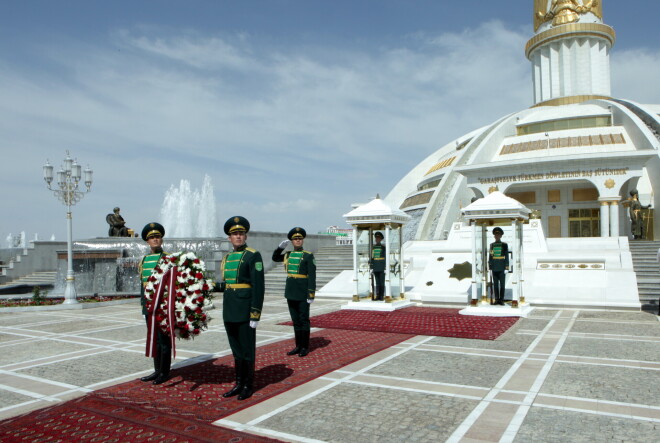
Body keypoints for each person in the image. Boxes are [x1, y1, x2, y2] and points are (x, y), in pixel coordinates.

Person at [218, 216, 265, 400]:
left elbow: (258, 286)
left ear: (245, 236)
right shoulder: (228, 257)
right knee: (236, 350)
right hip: (230, 309)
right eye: (234, 234)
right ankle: (238, 383)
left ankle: (248, 384)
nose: (238, 236)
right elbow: (228, 283)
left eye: (241, 233)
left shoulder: (253, 255)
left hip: (245, 309)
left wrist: (255, 313)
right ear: (229, 238)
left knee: (247, 350)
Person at [272, 227, 316, 357]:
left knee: (303, 319)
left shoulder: (308, 255)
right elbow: (275, 258)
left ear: (302, 240)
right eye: (295, 239)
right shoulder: (288, 255)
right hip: (291, 291)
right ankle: (298, 346)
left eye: (300, 239)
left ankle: (305, 347)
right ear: (291, 241)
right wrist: (280, 248)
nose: (298, 241)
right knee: (295, 320)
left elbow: (312, 275)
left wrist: (311, 293)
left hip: (303, 292)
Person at [138, 222, 171, 384]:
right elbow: (142, 284)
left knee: (164, 340)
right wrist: (143, 305)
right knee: (154, 339)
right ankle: (157, 370)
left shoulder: (167, 259)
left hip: (163, 306)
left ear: (161, 240)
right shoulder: (144, 260)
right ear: (147, 241)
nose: (155, 240)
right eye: (152, 238)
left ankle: (165, 372)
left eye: (157, 237)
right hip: (149, 306)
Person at [488, 227, 509, 306]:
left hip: (502, 267)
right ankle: (496, 299)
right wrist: (490, 267)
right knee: (495, 284)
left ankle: (501, 299)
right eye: (495, 235)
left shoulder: (504, 245)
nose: (496, 236)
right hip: (494, 267)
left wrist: (506, 267)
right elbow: (490, 256)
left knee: (502, 284)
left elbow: (506, 256)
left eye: (498, 235)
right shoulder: (492, 245)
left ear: (501, 236)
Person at [370, 231, 386, 301]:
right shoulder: (373, 247)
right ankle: (377, 295)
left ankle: (382, 295)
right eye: (376, 238)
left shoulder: (383, 247)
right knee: (377, 282)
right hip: (376, 266)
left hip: (381, 266)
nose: (377, 239)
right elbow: (372, 257)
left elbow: (385, 257)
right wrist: (371, 266)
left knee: (382, 281)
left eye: (378, 238)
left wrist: (385, 266)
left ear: (381, 239)